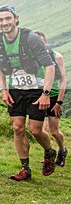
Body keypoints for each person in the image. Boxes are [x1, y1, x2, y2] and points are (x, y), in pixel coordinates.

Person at [0, 7, 57, 179]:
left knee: (35, 130)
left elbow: (50, 67)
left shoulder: (31, 39)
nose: (4, 23)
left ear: (16, 19)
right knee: (17, 128)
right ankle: (25, 169)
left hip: (37, 87)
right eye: (1, 20)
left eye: (8, 19)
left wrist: (46, 94)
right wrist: (4, 90)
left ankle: (49, 152)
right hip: (15, 88)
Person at [34, 31, 67, 167]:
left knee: (54, 131)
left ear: (45, 42)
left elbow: (63, 79)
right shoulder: (32, 58)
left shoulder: (56, 56)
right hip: (39, 96)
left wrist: (59, 102)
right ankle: (48, 155)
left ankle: (62, 150)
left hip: (53, 96)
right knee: (40, 130)